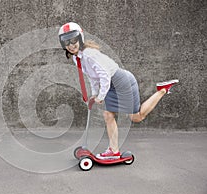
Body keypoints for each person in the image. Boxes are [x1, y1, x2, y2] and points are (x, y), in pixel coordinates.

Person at [58, 22, 179, 159]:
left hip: (121, 81)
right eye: (67, 41)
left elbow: (104, 75)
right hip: (110, 84)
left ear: (80, 38)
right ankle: (114, 151)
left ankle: (162, 90)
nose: (71, 44)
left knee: (136, 117)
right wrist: (94, 95)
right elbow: (93, 77)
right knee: (108, 115)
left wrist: (101, 96)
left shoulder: (89, 54)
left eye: (74, 40)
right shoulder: (77, 58)